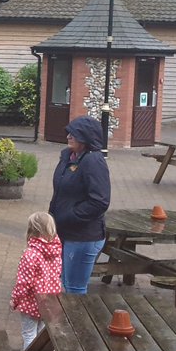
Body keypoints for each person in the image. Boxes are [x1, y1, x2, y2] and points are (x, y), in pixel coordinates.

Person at [48, 116, 110, 295]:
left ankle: (77, 323)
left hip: (84, 236)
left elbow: (99, 201)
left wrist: (67, 216)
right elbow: (60, 192)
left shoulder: (93, 162)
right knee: (62, 283)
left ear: (86, 137)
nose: (68, 136)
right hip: (64, 231)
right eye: (69, 132)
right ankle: (64, 321)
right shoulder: (67, 156)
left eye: (74, 134)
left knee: (74, 288)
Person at [10, 211, 62, 351]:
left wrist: (15, 300)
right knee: (41, 335)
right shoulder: (56, 249)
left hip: (31, 302)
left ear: (31, 230)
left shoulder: (31, 254)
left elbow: (23, 283)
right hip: (49, 301)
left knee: (29, 334)